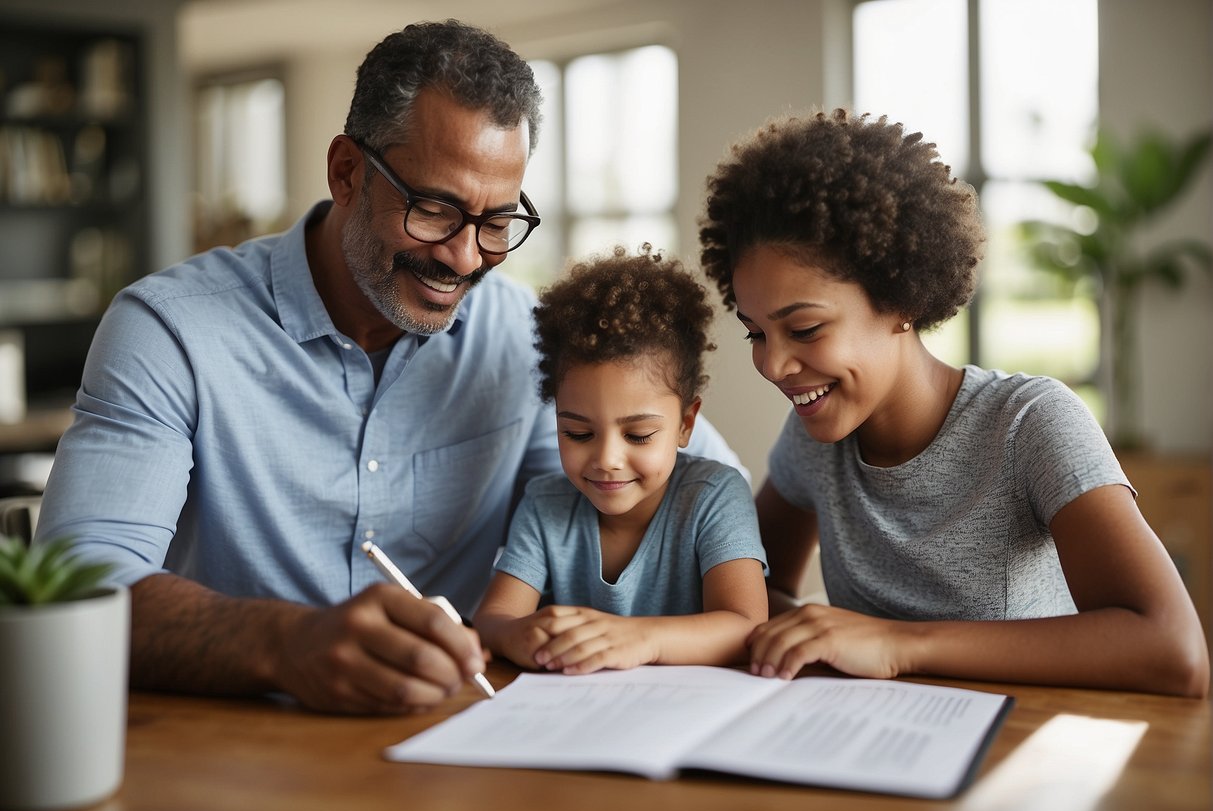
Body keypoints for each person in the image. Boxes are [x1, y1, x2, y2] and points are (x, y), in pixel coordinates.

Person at [32, 20, 745, 715]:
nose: (466, 258)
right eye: (435, 209)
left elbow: (697, 494)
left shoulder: (525, 339)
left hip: (463, 732)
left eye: (497, 222)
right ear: (347, 172)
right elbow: (77, 586)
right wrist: (285, 643)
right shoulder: (170, 330)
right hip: (231, 747)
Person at [697, 108, 1209, 697]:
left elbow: (1175, 651)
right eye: (756, 333)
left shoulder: (1029, 423)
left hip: (1023, 754)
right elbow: (749, 595)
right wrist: (813, 630)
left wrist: (898, 644)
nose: (773, 364)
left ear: (899, 298)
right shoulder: (816, 439)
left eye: (806, 329)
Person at [474, 247, 768, 673]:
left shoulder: (714, 496)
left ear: (686, 424)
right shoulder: (545, 505)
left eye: (638, 435)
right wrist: (514, 634)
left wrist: (641, 639)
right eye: (577, 433)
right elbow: (493, 620)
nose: (607, 459)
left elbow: (746, 627)